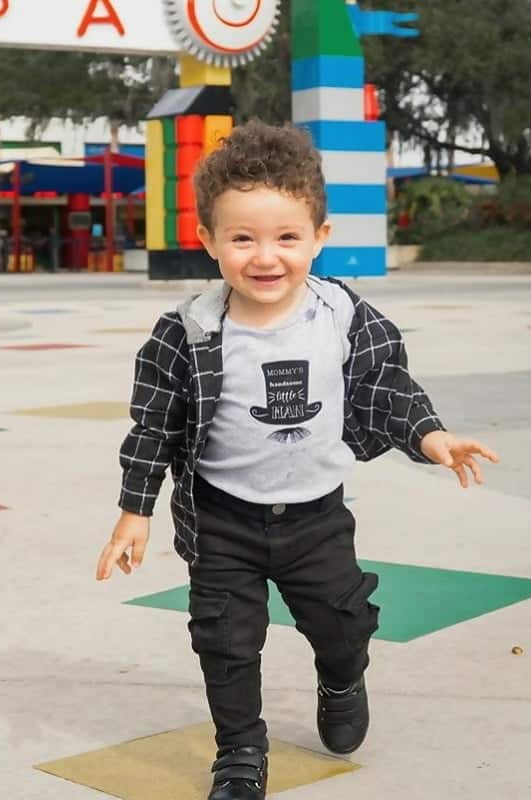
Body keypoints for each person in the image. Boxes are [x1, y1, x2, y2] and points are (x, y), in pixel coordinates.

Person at [95, 120, 499, 800]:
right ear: (208, 242)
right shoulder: (189, 330)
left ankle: (341, 678)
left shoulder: (341, 315)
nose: (266, 256)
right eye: (242, 238)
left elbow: (384, 386)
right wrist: (133, 513)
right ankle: (240, 753)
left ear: (320, 237)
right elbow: (153, 427)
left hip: (316, 519)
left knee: (343, 625)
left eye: (287, 237)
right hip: (223, 522)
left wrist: (432, 438)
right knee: (223, 642)